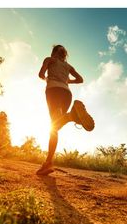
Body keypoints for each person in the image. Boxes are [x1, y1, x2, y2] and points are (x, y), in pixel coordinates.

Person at [36, 45, 94, 176]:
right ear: (64, 54)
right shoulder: (68, 66)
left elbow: (41, 74)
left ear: (54, 52)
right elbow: (80, 79)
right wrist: (68, 81)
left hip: (53, 91)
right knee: (56, 126)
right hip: (67, 94)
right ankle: (48, 163)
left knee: (54, 127)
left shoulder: (49, 59)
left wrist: (46, 79)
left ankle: (71, 116)